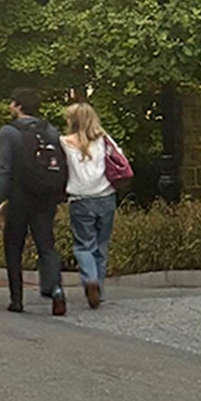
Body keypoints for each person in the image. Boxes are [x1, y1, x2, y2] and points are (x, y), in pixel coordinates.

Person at [0, 88, 67, 315]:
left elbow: (5, 168)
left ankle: (17, 299)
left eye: (12, 103)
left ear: (19, 105)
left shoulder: (9, 132)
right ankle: (57, 290)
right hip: (46, 196)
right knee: (46, 245)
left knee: (13, 246)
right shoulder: (50, 130)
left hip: (19, 196)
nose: (10, 107)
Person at [61, 103, 118, 310]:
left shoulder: (64, 143)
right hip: (106, 197)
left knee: (84, 245)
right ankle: (99, 289)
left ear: (72, 121)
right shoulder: (104, 140)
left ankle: (90, 279)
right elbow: (119, 160)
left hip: (80, 199)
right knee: (101, 245)